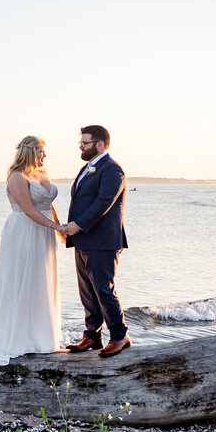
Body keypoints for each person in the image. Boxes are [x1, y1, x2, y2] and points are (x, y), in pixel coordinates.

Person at [0, 136, 65, 367]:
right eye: (41, 150)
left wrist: (59, 229)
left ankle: (42, 337)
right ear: (29, 151)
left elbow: (48, 204)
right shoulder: (17, 177)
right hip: (24, 231)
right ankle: (19, 339)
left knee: (41, 281)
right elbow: (27, 208)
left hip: (44, 232)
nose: (44, 155)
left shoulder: (42, 173)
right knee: (22, 280)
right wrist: (54, 226)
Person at [61, 125, 131, 358]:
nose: (80, 146)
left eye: (85, 143)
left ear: (99, 145)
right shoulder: (88, 168)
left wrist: (77, 225)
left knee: (103, 289)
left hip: (103, 241)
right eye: (80, 142)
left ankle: (120, 336)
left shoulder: (112, 170)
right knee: (87, 291)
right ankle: (92, 335)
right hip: (83, 240)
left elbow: (103, 203)